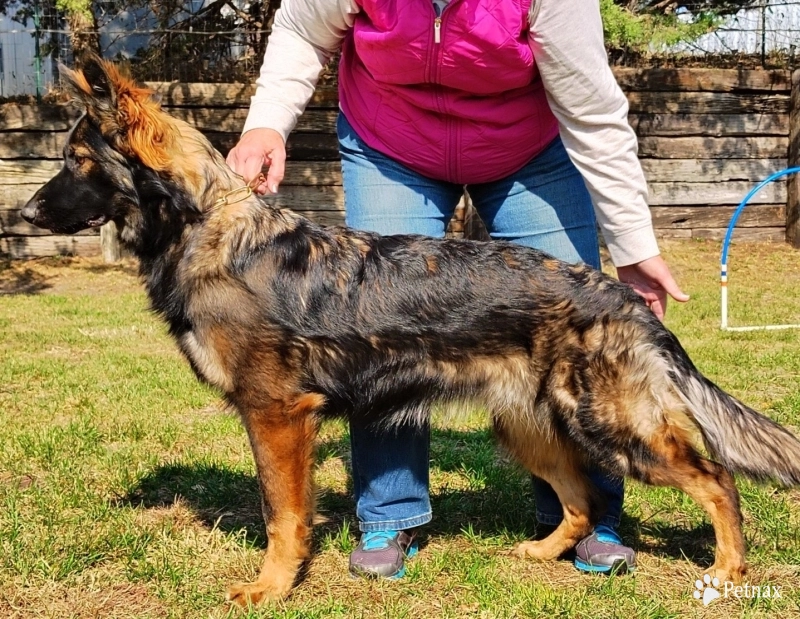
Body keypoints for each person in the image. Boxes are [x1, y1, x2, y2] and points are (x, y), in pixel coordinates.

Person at [227, 0, 689, 581]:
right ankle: (391, 515)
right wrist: (266, 122)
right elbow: (299, 30)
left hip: (527, 149)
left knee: (573, 334)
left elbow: (594, 111)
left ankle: (588, 517)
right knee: (375, 330)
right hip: (391, 144)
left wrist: (634, 248)